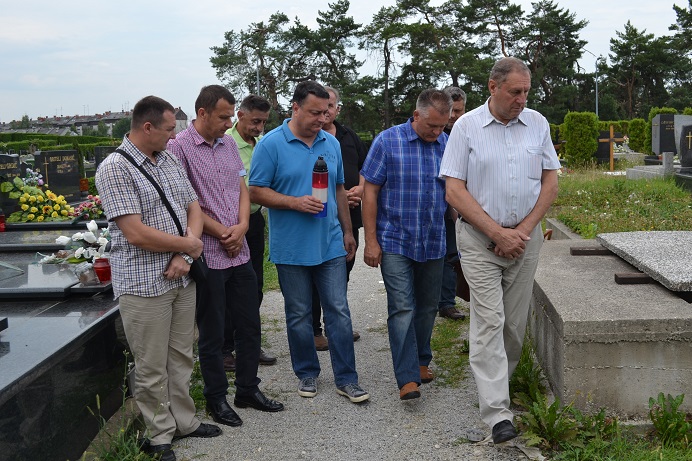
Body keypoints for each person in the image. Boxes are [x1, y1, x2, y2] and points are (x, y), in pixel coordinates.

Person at [440, 57, 560, 444]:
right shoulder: (466, 127)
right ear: (493, 87)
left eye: (526, 92)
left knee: (513, 325)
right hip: (479, 240)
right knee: (489, 320)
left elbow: (550, 182)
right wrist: (496, 232)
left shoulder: (537, 123)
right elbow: (454, 190)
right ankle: (497, 413)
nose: (522, 99)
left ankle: (498, 387)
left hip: (524, 240)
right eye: (515, 92)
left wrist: (521, 232)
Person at [96, 95, 221, 461]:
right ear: (147, 127)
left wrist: (186, 254)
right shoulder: (115, 168)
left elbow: (193, 206)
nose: (174, 135)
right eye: (169, 129)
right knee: (151, 365)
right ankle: (159, 434)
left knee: (181, 355)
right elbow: (135, 232)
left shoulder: (168, 158)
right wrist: (189, 245)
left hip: (182, 277)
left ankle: (184, 421)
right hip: (144, 283)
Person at [168, 85, 284, 430]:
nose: (228, 123)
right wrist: (222, 232)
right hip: (209, 253)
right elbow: (184, 203)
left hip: (239, 249)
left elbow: (242, 189)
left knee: (249, 324)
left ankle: (247, 389)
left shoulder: (229, 143)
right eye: (222, 117)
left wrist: (243, 226)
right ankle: (216, 397)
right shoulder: (179, 148)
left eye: (231, 116)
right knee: (214, 332)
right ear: (202, 113)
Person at [249, 80, 369, 404]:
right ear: (296, 107)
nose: (322, 118)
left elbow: (339, 190)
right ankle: (307, 372)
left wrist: (347, 232)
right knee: (299, 314)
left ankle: (347, 378)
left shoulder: (331, 143)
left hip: (329, 242)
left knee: (338, 311)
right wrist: (294, 202)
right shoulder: (271, 144)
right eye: (315, 112)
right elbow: (255, 191)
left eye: (326, 111)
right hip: (291, 248)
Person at [361, 88, 451, 401]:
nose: (437, 132)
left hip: (434, 239)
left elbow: (455, 191)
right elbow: (370, 192)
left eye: (442, 126)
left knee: (427, 307)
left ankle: (422, 360)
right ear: (416, 115)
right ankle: (407, 377)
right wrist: (370, 241)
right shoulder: (387, 141)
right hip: (395, 239)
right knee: (402, 307)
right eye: (431, 125)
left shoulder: (447, 144)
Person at [222, 94, 277, 370]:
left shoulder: (263, 144)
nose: (259, 127)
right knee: (226, 287)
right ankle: (224, 347)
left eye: (264, 122)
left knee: (253, 285)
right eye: (255, 121)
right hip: (227, 224)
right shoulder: (225, 143)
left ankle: (248, 344)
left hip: (253, 221)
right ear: (240, 116)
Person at [311, 86, 367, 351]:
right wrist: (339, 196)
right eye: (321, 108)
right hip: (318, 218)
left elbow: (366, 167)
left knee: (342, 270)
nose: (326, 112)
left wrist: (360, 189)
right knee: (315, 274)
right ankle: (313, 329)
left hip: (350, 217)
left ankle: (336, 323)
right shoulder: (311, 137)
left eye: (331, 107)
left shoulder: (348, 136)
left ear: (337, 108)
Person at [438, 86, 468, 321]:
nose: (454, 116)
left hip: (455, 207)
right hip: (432, 204)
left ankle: (447, 303)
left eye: (458, 111)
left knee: (451, 255)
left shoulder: (468, 132)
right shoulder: (432, 132)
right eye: (450, 110)